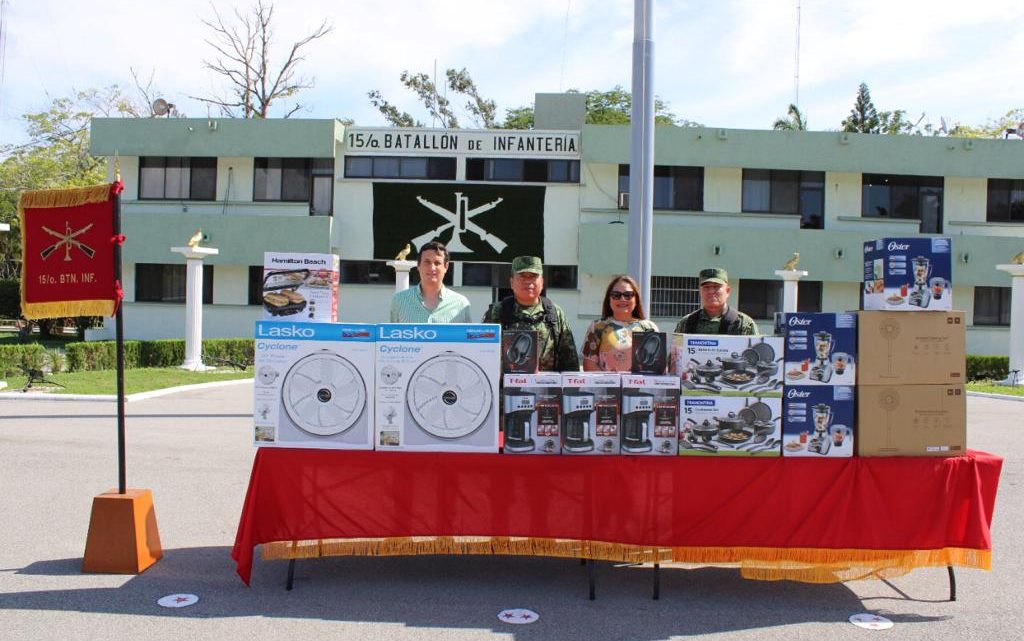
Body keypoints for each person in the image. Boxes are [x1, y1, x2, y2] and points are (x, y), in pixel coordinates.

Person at [482, 256, 580, 372]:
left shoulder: (554, 313)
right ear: (512, 282)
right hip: (506, 387)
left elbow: (570, 360)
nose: (528, 281)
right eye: (522, 277)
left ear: (542, 282)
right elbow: (483, 352)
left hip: (546, 387)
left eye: (533, 277)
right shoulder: (496, 312)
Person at [581, 275, 659, 371]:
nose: (622, 299)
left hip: (641, 385)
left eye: (628, 295)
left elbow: (657, 366)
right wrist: (610, 383)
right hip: (603, 385)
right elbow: (589, 365)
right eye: (616, 295)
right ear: (609, 300)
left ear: (636, 299)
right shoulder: (597, 327)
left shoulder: (649, 328)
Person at [389, 241, 472, 323]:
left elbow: (468, 335)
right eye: (427, 262)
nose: (432, 268)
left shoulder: (461, 304)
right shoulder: (400, 301)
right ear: (418, 265)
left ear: (446, 267)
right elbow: (391, 334)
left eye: (437, 263)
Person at [674, 267, 758, 335]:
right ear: (700, 291)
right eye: (706, 287)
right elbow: (675, 353)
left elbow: (755, 353)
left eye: (716, 286)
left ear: (727, 291)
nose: (711, 291)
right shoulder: (687, 323)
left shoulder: (743, 324)